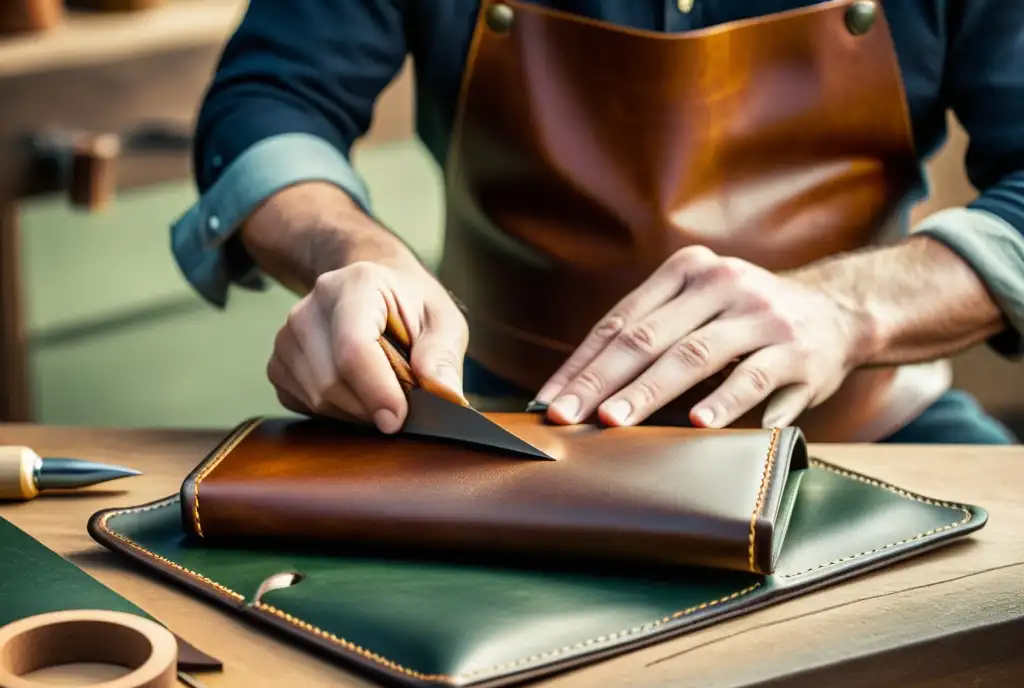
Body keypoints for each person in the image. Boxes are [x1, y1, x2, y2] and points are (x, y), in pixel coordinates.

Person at [171, 0, 1024, 444]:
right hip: (496, 424)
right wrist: (354, 253)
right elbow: (272, 101)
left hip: (864, 427)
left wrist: (848, 309)